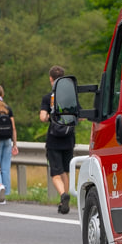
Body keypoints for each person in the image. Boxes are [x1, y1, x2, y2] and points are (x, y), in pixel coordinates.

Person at [40, 65, 75, 214]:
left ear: (50, 79)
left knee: (55, 173)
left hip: (54, 139)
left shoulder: (48, 98)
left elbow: (42, 117)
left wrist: (49, 116)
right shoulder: (70, 96)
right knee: (65, 171)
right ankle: (64, 201)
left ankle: (63, 195)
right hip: (68, 138)